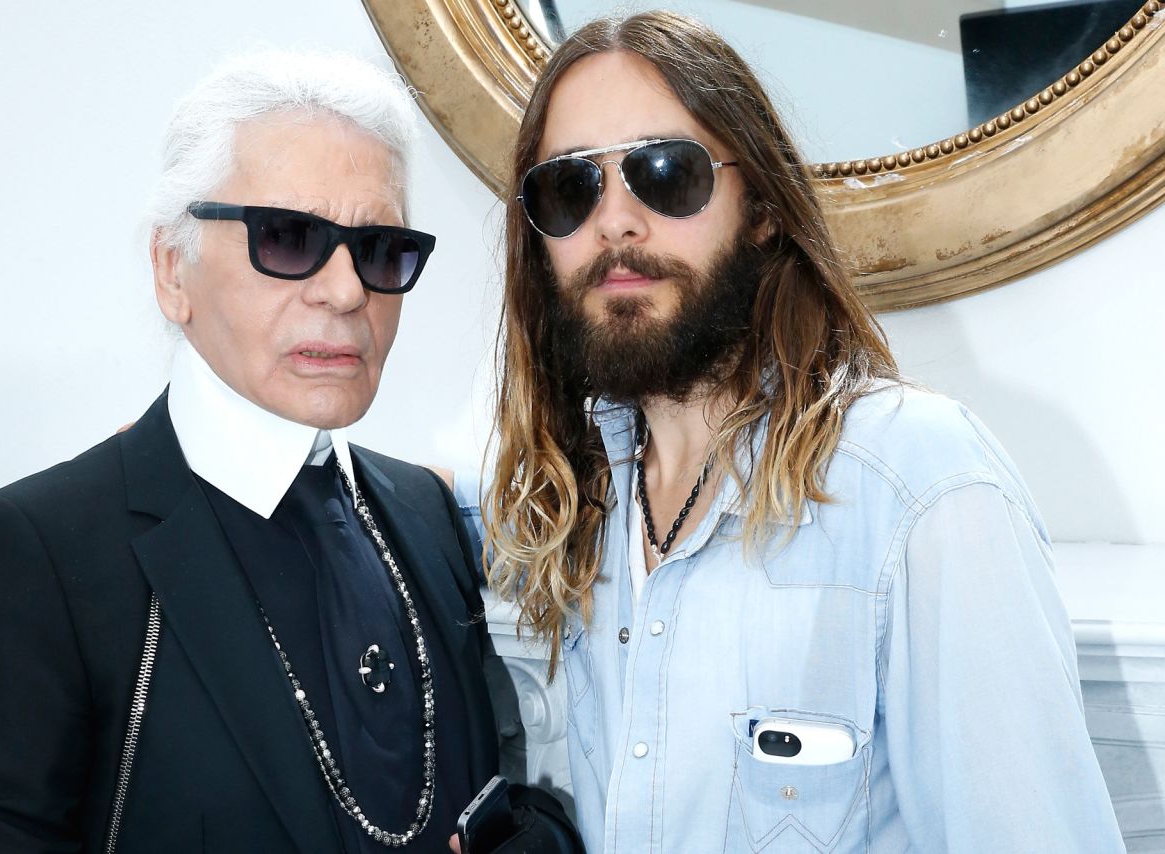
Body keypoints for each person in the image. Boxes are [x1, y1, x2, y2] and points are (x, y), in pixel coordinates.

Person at [467, 11, 1125, 853]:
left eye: (667, 174)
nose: (616, 222)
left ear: (765, 209)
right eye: (569, 189)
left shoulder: (920, 486)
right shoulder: (578, 501)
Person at [0, 51, 575, 854]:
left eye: (378, 248)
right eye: (289, 237)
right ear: (172, 270)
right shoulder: (41, 554)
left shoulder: (425, 513)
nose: (345, 291)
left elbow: (502, 803)